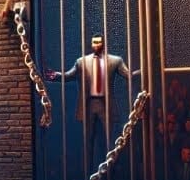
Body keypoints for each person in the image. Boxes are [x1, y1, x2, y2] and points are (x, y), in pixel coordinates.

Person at [47, 34, 135, 164]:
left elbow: (129, 75)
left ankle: (110, 171)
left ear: (103, 44)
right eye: (94, 42)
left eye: (99, 42)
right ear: (91, 44)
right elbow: (69, 75)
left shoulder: (115, 60)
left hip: (106, 104)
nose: (97, 45)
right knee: (88, 140)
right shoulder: (81, 62)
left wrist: (144, 71)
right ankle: (88, 170)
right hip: (89, 104)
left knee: (109, 141)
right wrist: (57, 76)